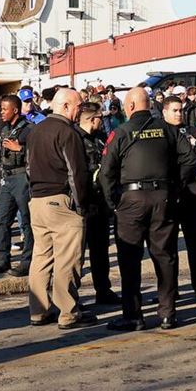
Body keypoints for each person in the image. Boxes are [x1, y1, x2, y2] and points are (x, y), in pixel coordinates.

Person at [99, 87, 195, 331]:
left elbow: (106, 171)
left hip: (131, 200)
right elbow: (190, 159)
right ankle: (167, 313)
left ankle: (133, 315)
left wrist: (114, 203)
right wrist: (174, 187)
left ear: (129, 106)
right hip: (163, 198)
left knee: (130, 259)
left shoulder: (121, 132)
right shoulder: (167, 130)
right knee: (165, 256)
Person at [24, 89, 98, 329]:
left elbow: (27, 167)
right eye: (78, 106)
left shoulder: (36, 130)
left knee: (41, 257)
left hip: (37, 201)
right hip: (61, 201)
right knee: (68, 259)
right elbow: (76, 173)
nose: (80, 111)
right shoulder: (67, 132)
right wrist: (81, 206)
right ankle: (68, 312)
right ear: (65, 106)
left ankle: (38, 310)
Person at [162, 95, 196, 301]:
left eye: (180, 110)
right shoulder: (160, 133)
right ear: (164, 112)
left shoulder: (192, 131)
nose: (178, 113)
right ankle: (169, 290)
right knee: (167, 247)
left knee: (195, 244)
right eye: (174, 110)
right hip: (170, 194)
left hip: (192, 193)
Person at [76, 102, 120, 305]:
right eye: (99, 118)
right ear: (92, 119)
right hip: (82, 202)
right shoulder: (75, 138)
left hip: (100, 202)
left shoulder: (102, 138)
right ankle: (71, 295)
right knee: (76, 253)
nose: (102, 121)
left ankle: (103, 289)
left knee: (100, 250)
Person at [0, 94, 34, 276]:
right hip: (6, 177)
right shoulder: (2, 127)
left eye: (5, 109)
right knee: (3, 220)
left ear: (15, 110)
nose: (2, 112)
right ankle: (2, 259)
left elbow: (37, 152)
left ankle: (27, 261)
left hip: (22, 176)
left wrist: (20, 149)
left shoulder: (29, 129)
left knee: (27, 221)